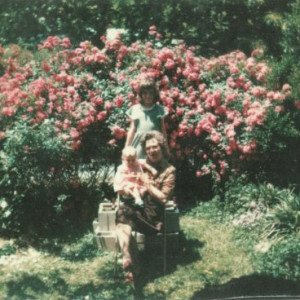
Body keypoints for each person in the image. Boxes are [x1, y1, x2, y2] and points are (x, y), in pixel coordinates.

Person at [115, 131, 176, 282]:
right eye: (148, 148)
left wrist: (147, 184)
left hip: (152, 216)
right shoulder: (137, 163)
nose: (151, 151)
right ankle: (128, 259)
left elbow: (163, 198)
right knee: (122, 216)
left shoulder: (169, 171)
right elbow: (121, 176)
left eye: (155, 147)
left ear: (161, 147)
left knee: (123, 219)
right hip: (135, 209)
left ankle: (134, 268)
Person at [125, 78, 169, 158]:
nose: (148, 96)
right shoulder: (135, 109)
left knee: (154, 169)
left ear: (154, 94)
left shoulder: (159, 110)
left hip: (154, 149)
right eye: (145, 93)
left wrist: (166, 148)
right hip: (138, 149)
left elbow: (163, 130)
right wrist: (126, 149)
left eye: (150, 93)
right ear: (140, 94)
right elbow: (132, 130)